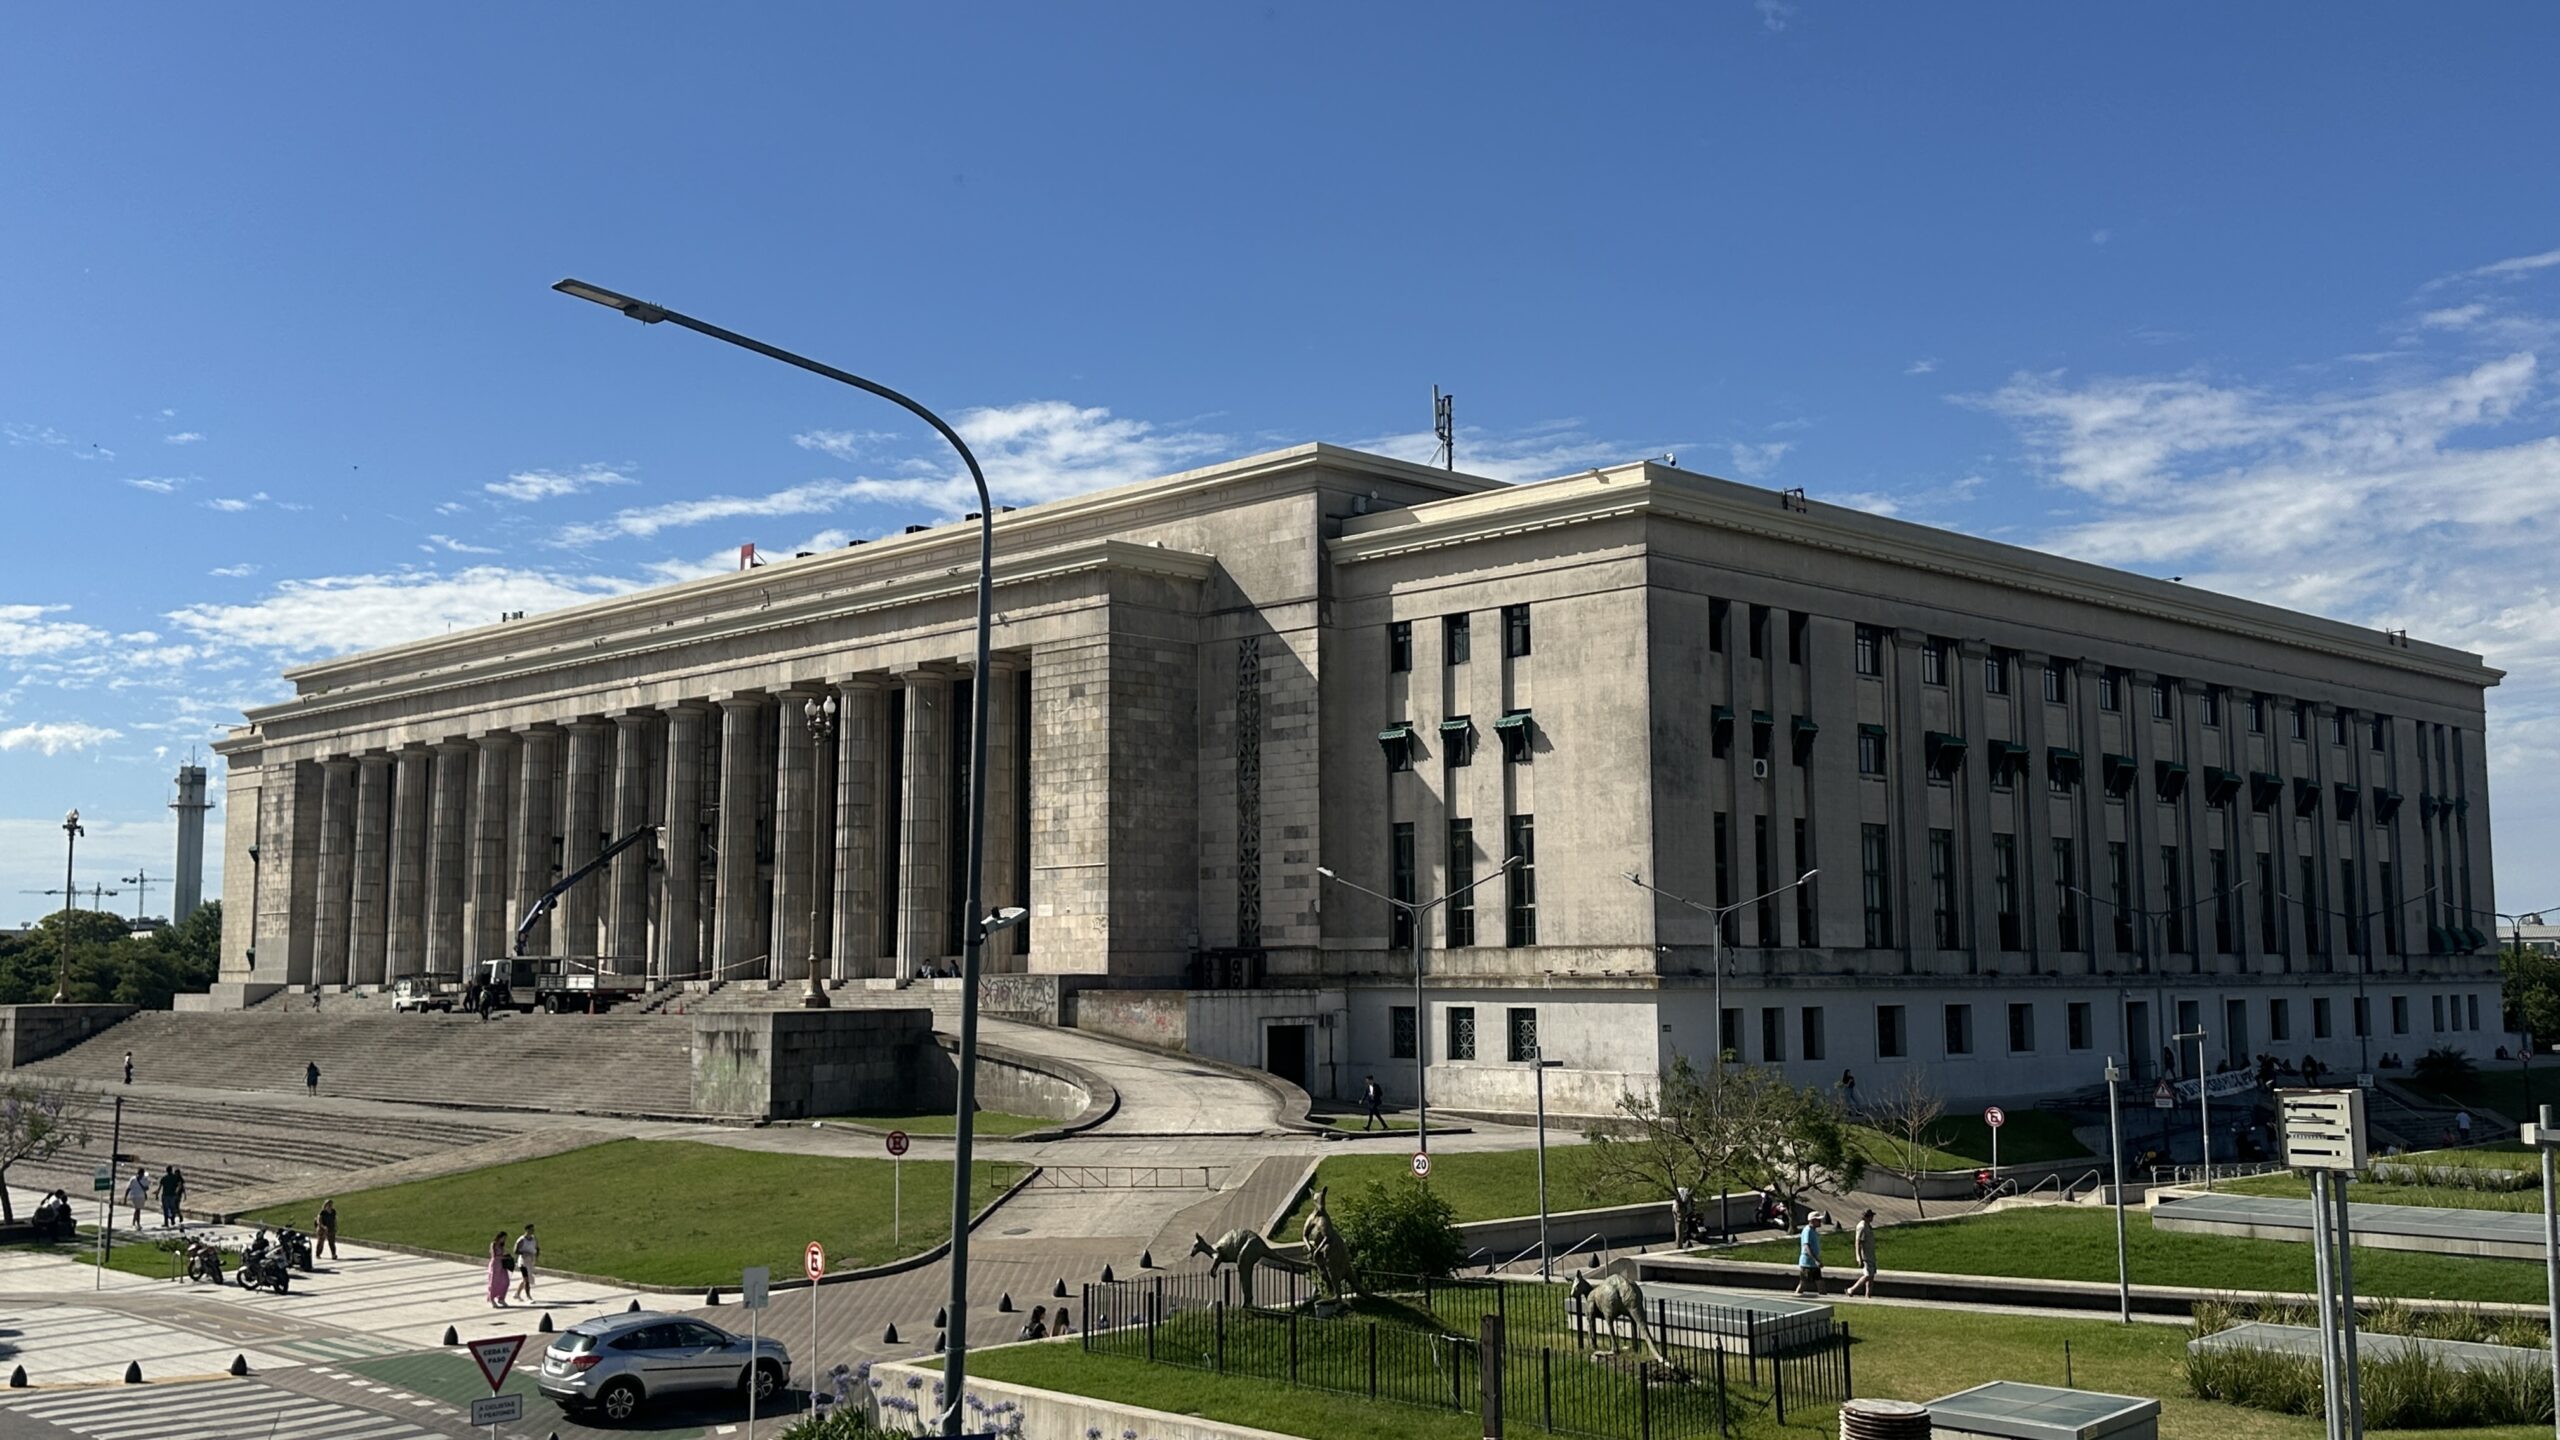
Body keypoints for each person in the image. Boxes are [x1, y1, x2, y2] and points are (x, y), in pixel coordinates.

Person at [1844, 1209, 1878, 1297]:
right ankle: (1851, 1289)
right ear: (1867, 1217)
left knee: (1871, 1276)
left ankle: (1868, 1295)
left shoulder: (1868, 1225)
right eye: (1871, 1216)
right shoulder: (1862, 1226)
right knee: (1868, 1275)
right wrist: (1859, 1257)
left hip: (1871, 1255)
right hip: (1865, 1255)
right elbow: (1858, 1242)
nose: (1872, 1218)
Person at [1793, 1213, 1824, 1296]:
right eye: (1818, 1220)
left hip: (1813, 1263)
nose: (1820, 1221)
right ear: (1812, 1221)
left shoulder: (1813, 1230)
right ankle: (1796, 1297)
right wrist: (1816, 1260)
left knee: (1820, 1282)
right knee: (1803, 1283)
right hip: (1807, 1263)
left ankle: (1824, 1298)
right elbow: (1806, 1246)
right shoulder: (1807, 1231)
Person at [512, 1223, 539, 1302]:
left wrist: (536, 1256)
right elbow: (515, 1250)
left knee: (527, 1278)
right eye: (531, 1229)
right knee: (526, 1279)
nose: (533, 1231)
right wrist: (524, 1253)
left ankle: (517, 1293)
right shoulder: (521, 1239)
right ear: (527, 1230)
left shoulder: (534, 1239)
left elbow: (537, 1248)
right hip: (523, 1262)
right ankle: (528, 1297)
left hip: (530, 1261)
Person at [486, 1232, 511, 1307]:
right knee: (494, 1282)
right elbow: (494, 1256)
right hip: (495, 1265)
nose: (504, 1240)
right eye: (503, 1238)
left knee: (505, 1281)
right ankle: (492, 1298)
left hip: (502, 1265)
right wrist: (504, 1257)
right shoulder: (494, 1244)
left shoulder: (501, 1245)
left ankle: (501, 1298)